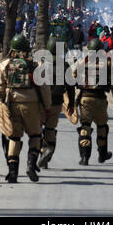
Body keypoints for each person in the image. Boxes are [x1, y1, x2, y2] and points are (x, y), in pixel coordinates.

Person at [0, 34, 51, 183]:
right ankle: (31, 166)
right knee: (35, 136)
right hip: (32, 104)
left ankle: (12, 172)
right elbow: (45, 89)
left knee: (14, 137)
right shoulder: (36, 65)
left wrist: (1, 104)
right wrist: (47, 106)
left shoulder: (5, 64)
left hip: (12, 103)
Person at [73, 38, 113, 165]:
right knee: (102, 127)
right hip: (100, 99)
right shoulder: (107, 63)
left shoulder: (81, 62)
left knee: (85, 127)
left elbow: (73, 78)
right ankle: (102, 154)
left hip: (85, 99)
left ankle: (84, 157)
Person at [38, 37, 76, 169]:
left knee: (37, 131)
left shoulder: (40, 64)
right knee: (50, 129)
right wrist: (71, 104)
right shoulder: (65, 66)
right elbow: (71, 87)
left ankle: (41, 151)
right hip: (56, 103)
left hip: (41, 103)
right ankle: (47, 153)